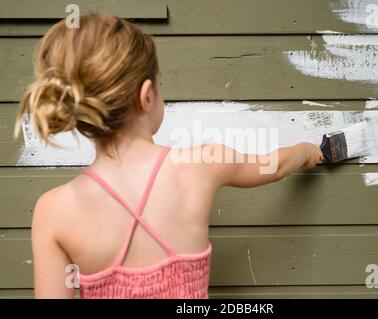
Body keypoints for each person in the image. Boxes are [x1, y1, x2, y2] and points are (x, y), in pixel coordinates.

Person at [14, 13, 324, 298]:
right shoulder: (202, 165)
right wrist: (308, 151)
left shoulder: (53, 212)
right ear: (146, 95)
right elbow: (277, 164)